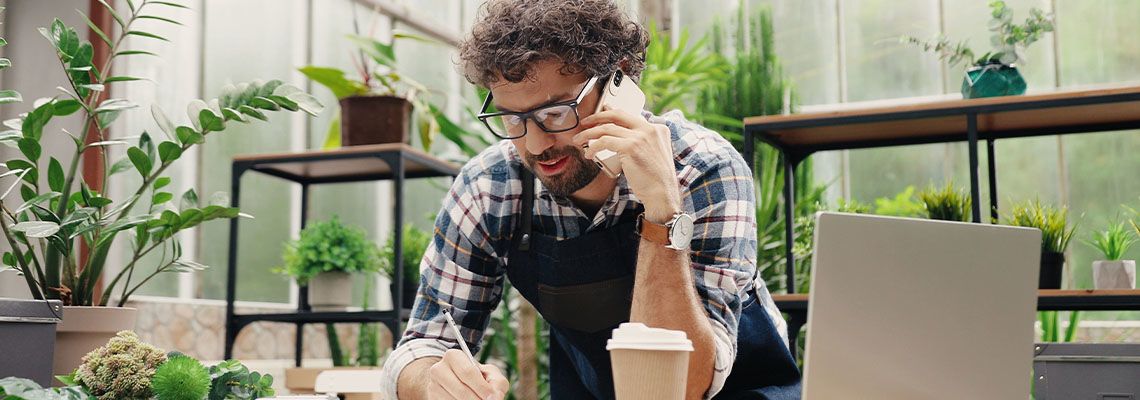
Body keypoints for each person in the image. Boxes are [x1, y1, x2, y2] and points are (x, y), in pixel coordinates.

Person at [380, 1, 802, 399]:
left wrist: (662, 213)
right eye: (513, 119)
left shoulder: (703, 169)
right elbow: (420, 345)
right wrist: (436, 382)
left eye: (556, 113)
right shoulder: (491, 186)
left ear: (618, 80)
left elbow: (682, 389)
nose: (537, 142)